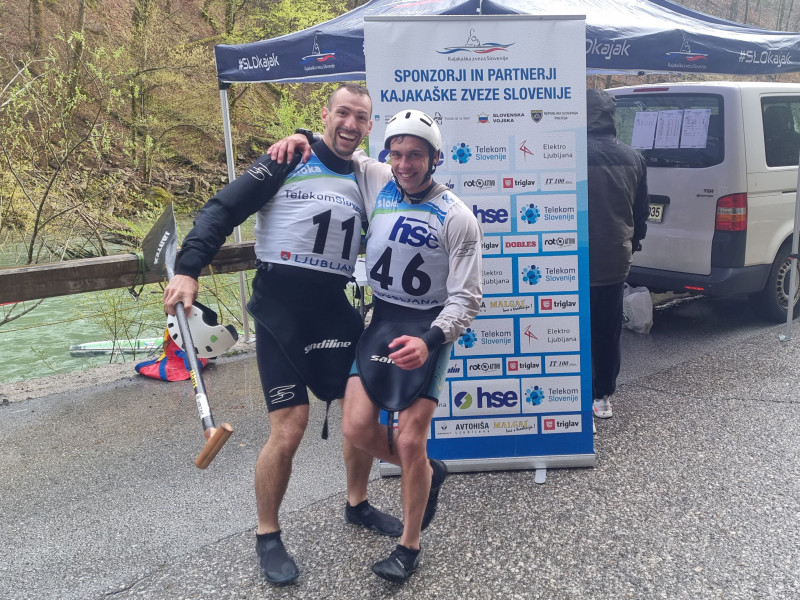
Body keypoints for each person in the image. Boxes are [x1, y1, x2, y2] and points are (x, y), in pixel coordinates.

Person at [162, 83, 402, 586]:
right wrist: (188, 268)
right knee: (290, 427)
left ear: (369, 126)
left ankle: (357, 503)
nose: (350, 124)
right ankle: (267, 534)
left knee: (360, 413)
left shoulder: (364, 175)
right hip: (280, 311)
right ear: (325, 115)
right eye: (342, 113)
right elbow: (221, 209)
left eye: (361, 118)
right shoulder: (287, 157)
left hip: (333, 309)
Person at [268, 109, 482, 583]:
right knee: (356, 426)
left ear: (435, 158)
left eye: (416, 156)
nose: (405, 165)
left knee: (409, 438)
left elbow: (467, 299)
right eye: (397, 154)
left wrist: (429, 341)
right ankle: (425, 472)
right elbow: (340, 143)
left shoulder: (458, 217)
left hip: (428, 328)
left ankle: (408, 547)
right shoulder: (378, 180)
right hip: (382, 320)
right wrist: (302, 136)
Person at [586, 88, 649, 420]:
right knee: (607, 331)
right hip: (613, 260)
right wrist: (631, 244)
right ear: (611, 117)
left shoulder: (566, 153)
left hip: (569, 262)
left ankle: (569, 395)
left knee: (568, 329)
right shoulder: (633, 157)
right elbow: (641, 214)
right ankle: (602, 397)